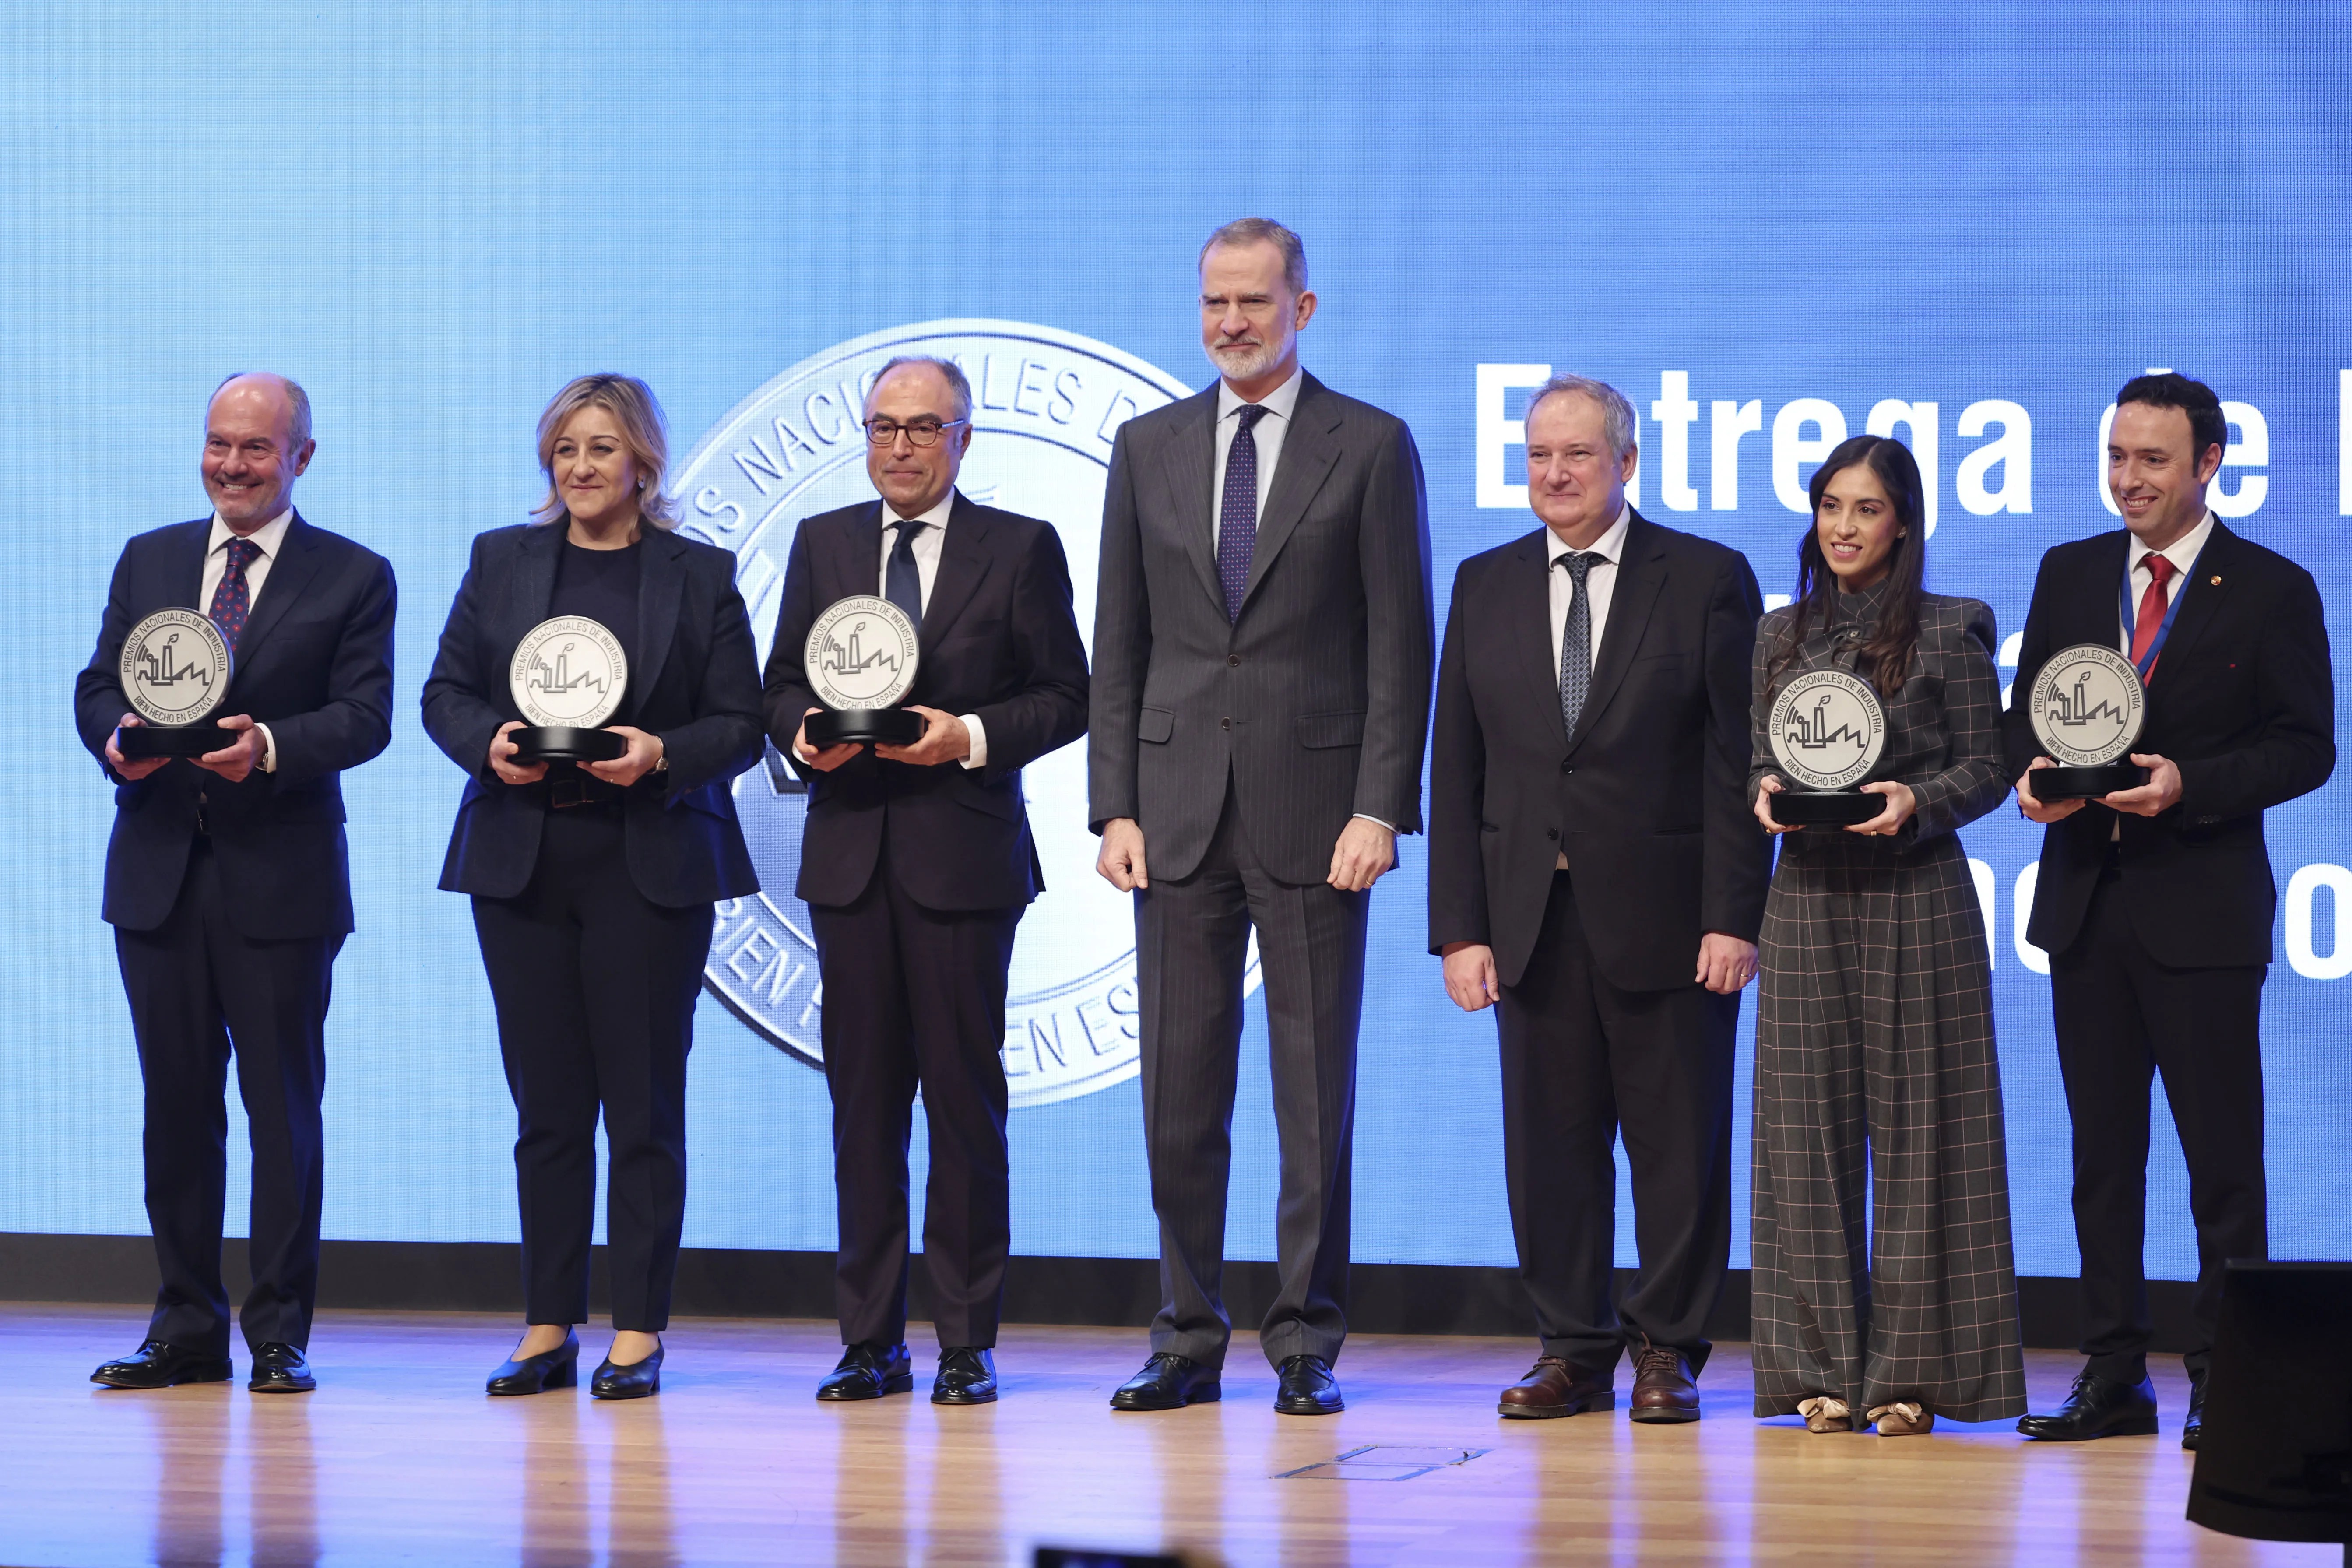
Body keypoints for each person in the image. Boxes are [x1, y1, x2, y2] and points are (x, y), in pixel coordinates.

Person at [1090, 218, 1433, 1416]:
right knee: (1178, 1096)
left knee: (1310, 1100)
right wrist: (1113, 803)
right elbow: (1118, 644)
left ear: (1304, 307)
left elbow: (1402, 645)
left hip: (1314, 817)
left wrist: (1380, 804)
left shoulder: (1373, 446)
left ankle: (1304, 1340)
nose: (1230, 321)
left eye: (1252, 300)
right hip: (1173, 819)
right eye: (1212, 302)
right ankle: (1185, 1331)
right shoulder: (1146, 445)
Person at [1428, 373, 1765, 1424]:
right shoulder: (1483, 584)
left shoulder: (1706, 577)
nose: (1555, 474)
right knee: (1550, 1150)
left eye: (1576, 455)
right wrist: (1459, 930)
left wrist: (1732, 914)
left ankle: (1668, 1350)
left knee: (1678, 1146)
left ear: (1625, 462)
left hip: (1670, 920)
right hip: (1529, 919)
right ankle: (1569, 1350)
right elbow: (1459, 770)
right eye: (1537, 456)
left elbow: (1733, 761)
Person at [422, 374, 763, 1401]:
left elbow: (740, 723)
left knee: (644, 1106)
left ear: (643, 464)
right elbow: (445, 693)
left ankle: (640, 1331)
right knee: (548, 1108)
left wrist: (659, 753)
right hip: (523, 858)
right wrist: (491, 746)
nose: (580, 468)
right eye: (565, 450)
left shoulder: (697, 575)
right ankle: (545, 1325)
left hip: (646, 864)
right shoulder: (501, 560)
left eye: (601, 450)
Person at [2008, 373, 2333, 1450]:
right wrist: (2030, 776)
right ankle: (2111, 1375)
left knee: (2220, 1166)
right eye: (2115, 456)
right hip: (2083, 909)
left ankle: (2223, 1379)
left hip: (2199, 912)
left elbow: (2305, 746)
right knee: (2102, 1160)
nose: (2127, 479)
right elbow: (2030, 720)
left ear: (2207, 463)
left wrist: (2188, 782)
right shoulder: (2066, 573)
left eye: (2151, 459)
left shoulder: (2271, 587)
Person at [763, 355, 1088, 1407]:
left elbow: (1065, 695)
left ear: (961, 438)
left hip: (963, 859)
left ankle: (963, 1339)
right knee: (861, 1109)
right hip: (849, 857)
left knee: (961, 1103)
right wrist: (799, 735)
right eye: (882, 427)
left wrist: (968, 737)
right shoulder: (821, 545)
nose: (899, 446)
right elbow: (776, 687)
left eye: (922, 428)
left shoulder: (1019, 548)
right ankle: (868, 1340)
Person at [75, 373, 397, 1394]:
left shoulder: (354, 575)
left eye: (255, 449)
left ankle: (277, 1333)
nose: (232, 465)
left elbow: (365, 717)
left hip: (282, 881)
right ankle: (182, 1325)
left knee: (281, 1111)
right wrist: (114, 741)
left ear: (302, 458)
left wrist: (265, 744)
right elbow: (98, 688)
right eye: (218, 443)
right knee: (174, 1107)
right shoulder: (151, 557)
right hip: (159, 874)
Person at [1747, 435, 2025, 1437]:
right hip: (1808, 896)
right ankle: (1817, 1372)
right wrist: (1765, 795)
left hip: (1916, 895)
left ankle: (1912, 1375)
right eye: (1829, 506)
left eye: (1865, 509)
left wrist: (1918, 799)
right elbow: (1753, 762)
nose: (1843, 528)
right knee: (1801, 1141)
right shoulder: (1779, 635)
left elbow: (1989, 768)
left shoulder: (1952, 628)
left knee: (1924, 1138)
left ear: (1902, 522)